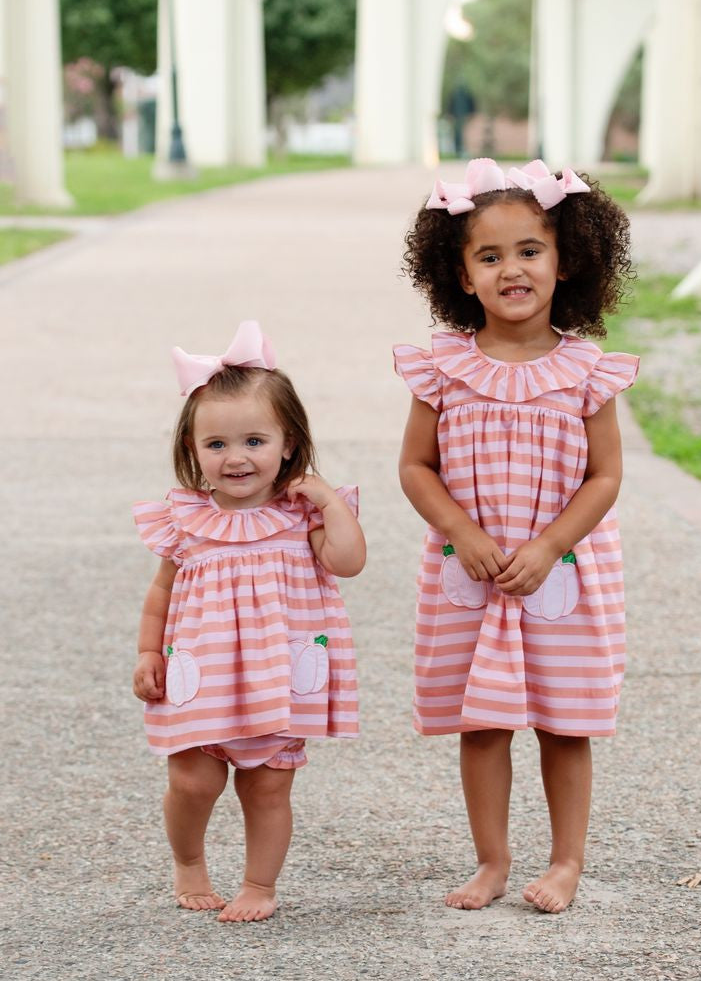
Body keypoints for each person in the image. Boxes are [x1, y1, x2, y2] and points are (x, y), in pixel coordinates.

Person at [394, 158, 638, 914]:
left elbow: (604, 476)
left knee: (565, 722)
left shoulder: (587, 370)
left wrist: (550, 544)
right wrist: (460, 531)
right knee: (483, 720)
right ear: (461, 276)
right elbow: (414, 466)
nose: (512, 270)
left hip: (559, 573)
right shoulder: (444, 367)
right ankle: (492, 861)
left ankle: (566, 861)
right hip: (475, 571)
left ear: (565, 260)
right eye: (489, 256)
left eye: (529, 250)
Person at [132, 321, 365, 923]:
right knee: (192, 782)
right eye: (216, 446)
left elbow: (349, 563)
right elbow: (161, 593)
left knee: (266, 787)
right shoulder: (186, 520)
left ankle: (260, 884)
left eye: (255, 441)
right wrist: (148, 653)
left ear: (289, 443)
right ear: (193, 451)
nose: (236, 458)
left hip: (274, 680)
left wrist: (331, 503)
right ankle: (189, 862)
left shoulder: (300, 516)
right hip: (199, 677)